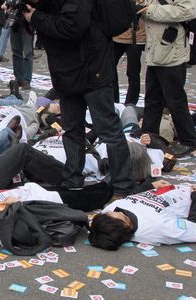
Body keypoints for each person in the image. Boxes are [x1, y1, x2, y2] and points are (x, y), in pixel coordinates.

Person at [26, 0, 136, 198]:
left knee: (109, 130)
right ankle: (72, 180)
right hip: (67, 71)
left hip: (91, 69)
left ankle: (123, 186)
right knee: (71, 130)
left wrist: (35, 16)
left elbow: (72, 26)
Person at [89, 160, 196, 249]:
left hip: (171, 193)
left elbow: (130, 199)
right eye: (112, 215)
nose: (110, 211)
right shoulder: (156, 229)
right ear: (125, 224)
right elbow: (193, 227)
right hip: (190, 201)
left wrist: (149, 186)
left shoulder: (110, 211)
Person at [139, 0, 196, 157]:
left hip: (172, 53)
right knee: (152, 99)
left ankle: (189, 140)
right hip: (156, 51)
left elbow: (188, 11)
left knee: (175, 100)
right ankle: (148, 135)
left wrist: (150, 10)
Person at [112, 16, 146, 106]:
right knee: (109, 67)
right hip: (117, 35)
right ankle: (114, 102)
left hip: (136, 37)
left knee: (133, 72)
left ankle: (130, 103)